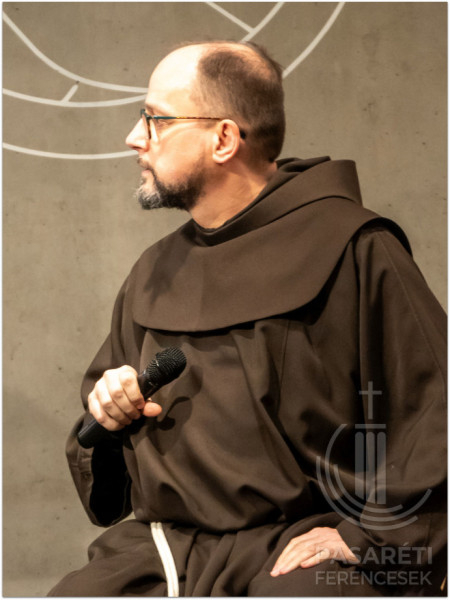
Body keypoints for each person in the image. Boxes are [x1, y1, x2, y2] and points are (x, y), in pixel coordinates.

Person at [49, 41, 446, 597]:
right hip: (168, 550)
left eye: (156, 119)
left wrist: (369, 537)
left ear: (223, 139)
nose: (135, 137)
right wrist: (109, 411)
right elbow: (100, 440)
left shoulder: (354, 247)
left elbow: (434, 410)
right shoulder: (155, 270)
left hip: (299, 549)